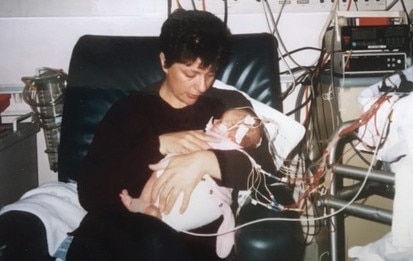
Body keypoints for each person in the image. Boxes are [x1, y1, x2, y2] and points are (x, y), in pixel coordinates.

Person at [67, 9, 278, 261]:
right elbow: (91, 191)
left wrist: (205, 161)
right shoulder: (131, 109)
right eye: (190, 74)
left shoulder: (227, 107)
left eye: (210, 74)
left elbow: (267, 171)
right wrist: (159, 145)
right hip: (122, 231)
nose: (201, 86)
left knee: (155, 242)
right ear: (164, 61)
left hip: (186, 240)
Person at [119, 107, 264, 258]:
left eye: (223, 122)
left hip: (208, 195)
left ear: (237, 134)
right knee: (162, 168)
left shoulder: (234, 148)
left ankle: (160, 221)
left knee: (180, 212)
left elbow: (255, 167)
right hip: (171, 173)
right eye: (219, 119)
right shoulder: (140, 107)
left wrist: (207, 157)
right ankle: (144, 203)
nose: (216, 122)